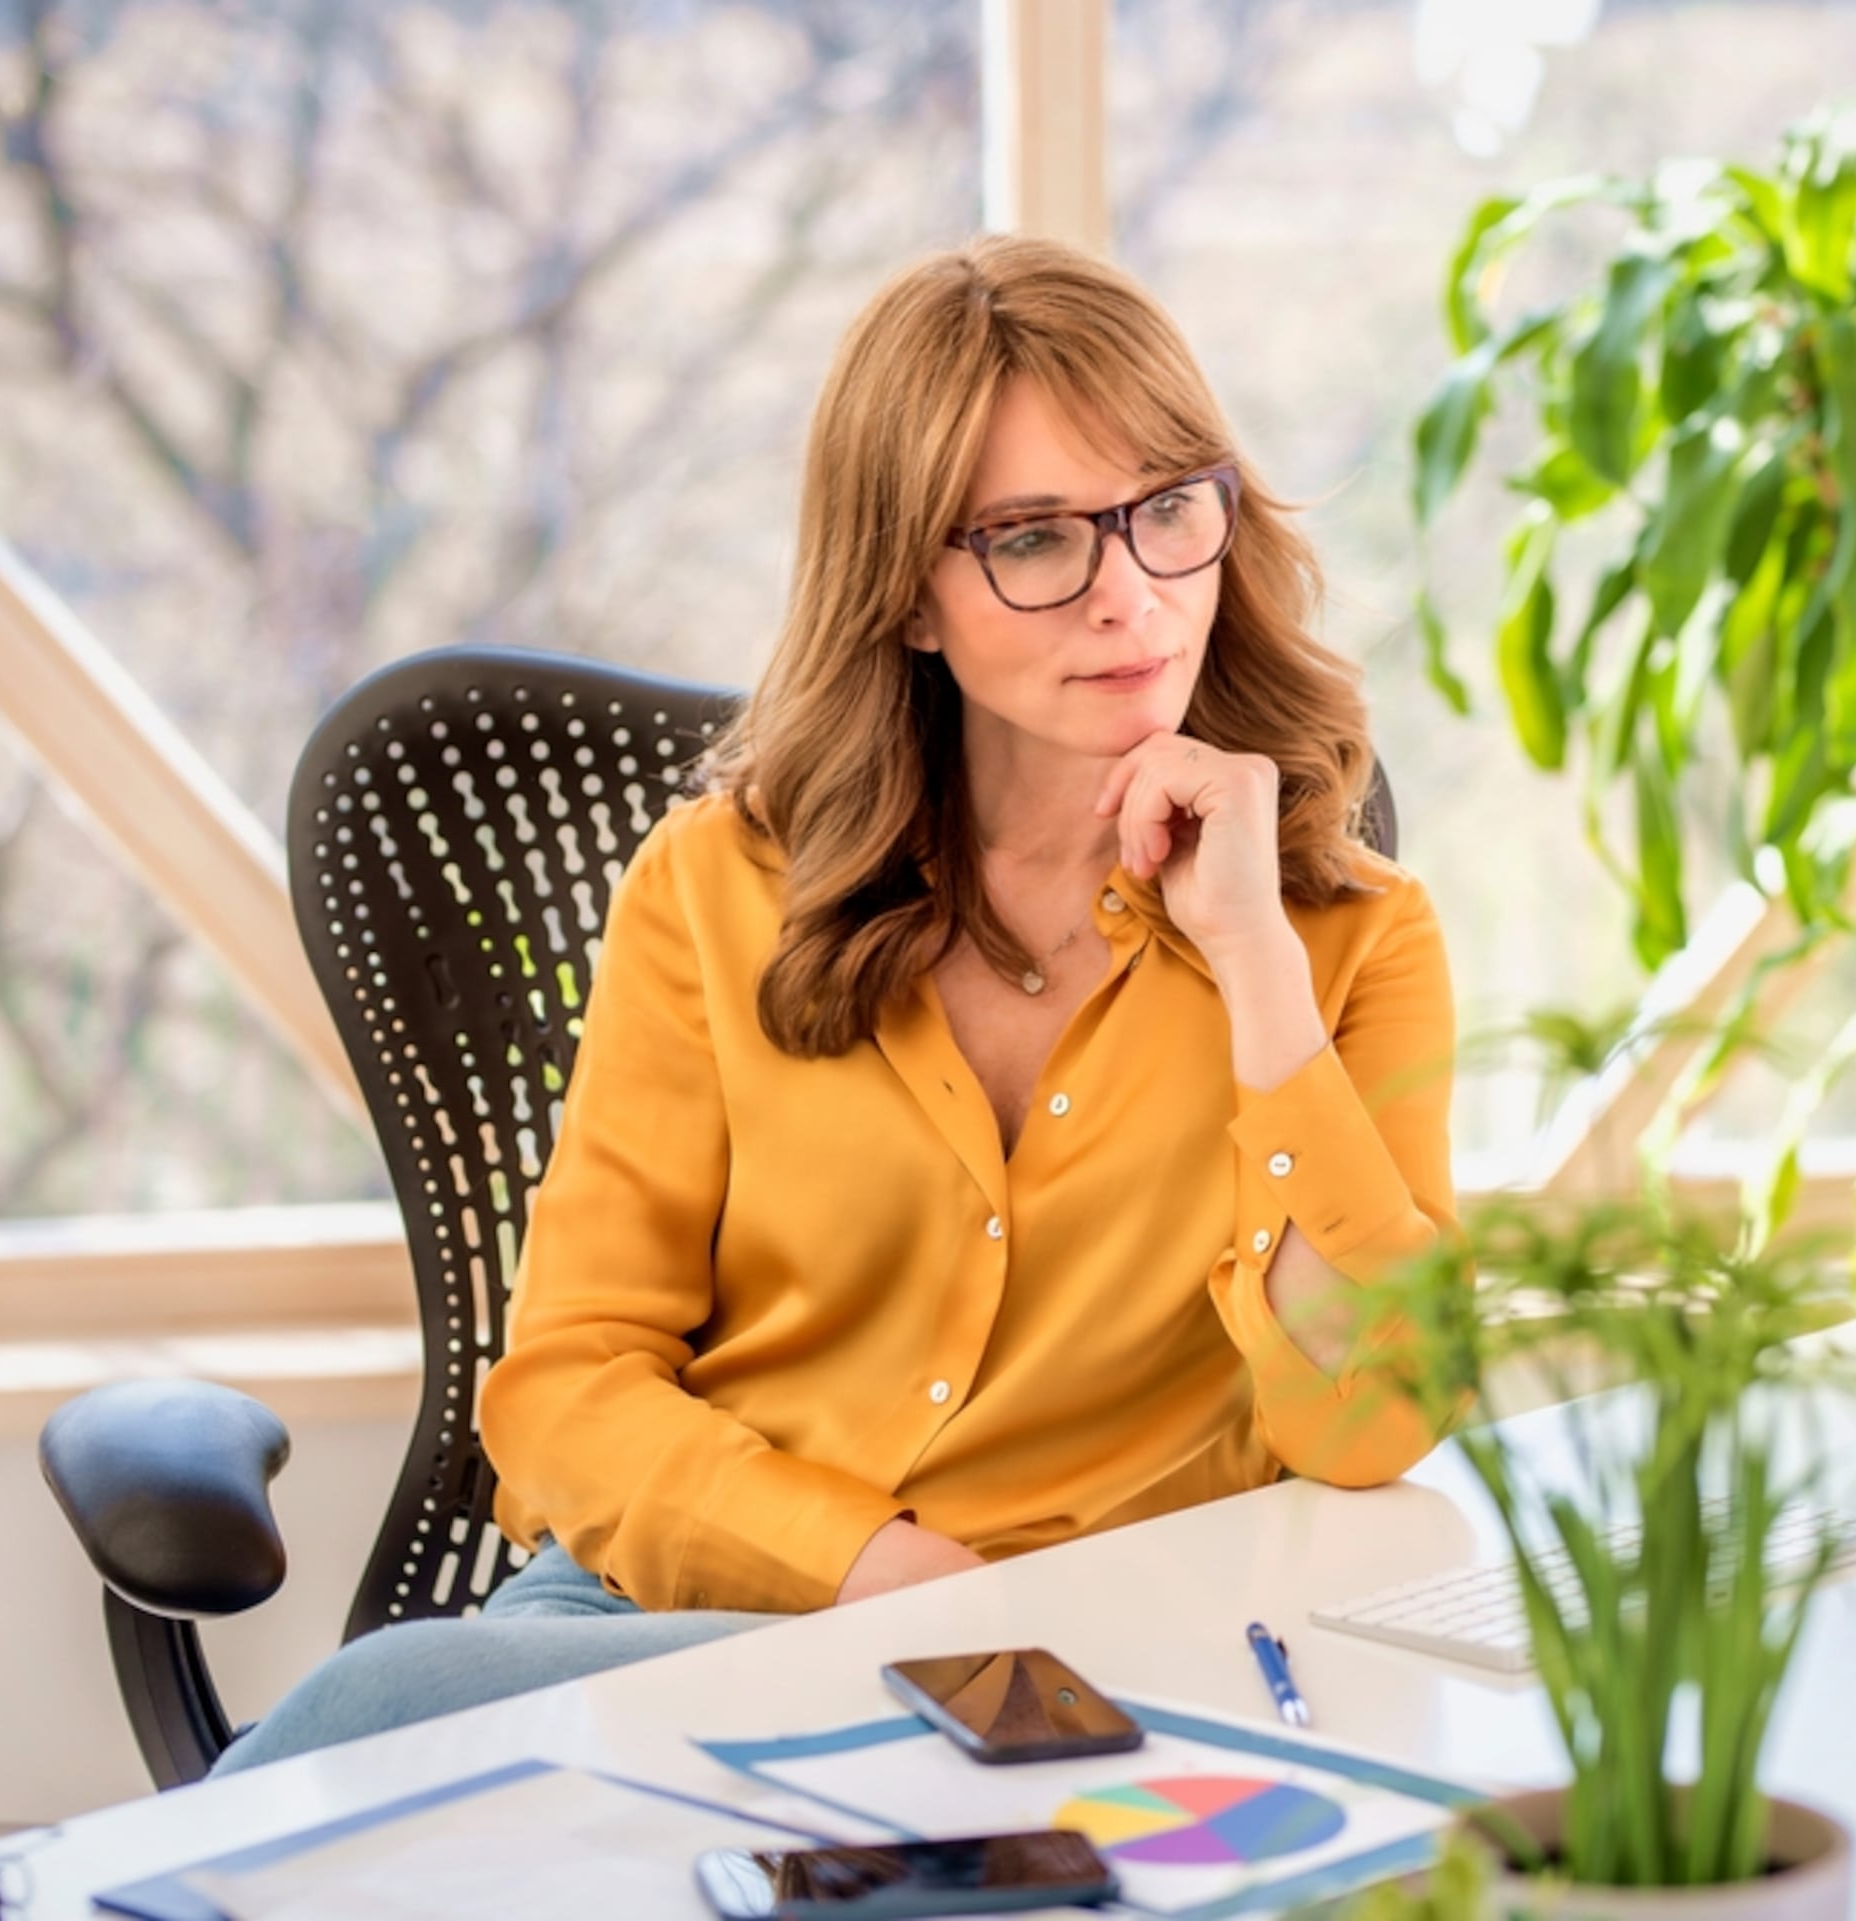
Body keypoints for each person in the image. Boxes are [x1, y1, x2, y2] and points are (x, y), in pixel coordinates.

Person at [213, 234, 1457, 1772]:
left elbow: (1374, 1417)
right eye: (1034, 538)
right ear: (910, 594)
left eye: (1165, 511)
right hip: (682, 1615)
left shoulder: (1349, 940)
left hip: (1090, 1658)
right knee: (382, 1713)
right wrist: (874, 1571)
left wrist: (1255, 962)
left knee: (378, 1733)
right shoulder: (718, 886)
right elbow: (567, 1385)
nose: (1129, 597)